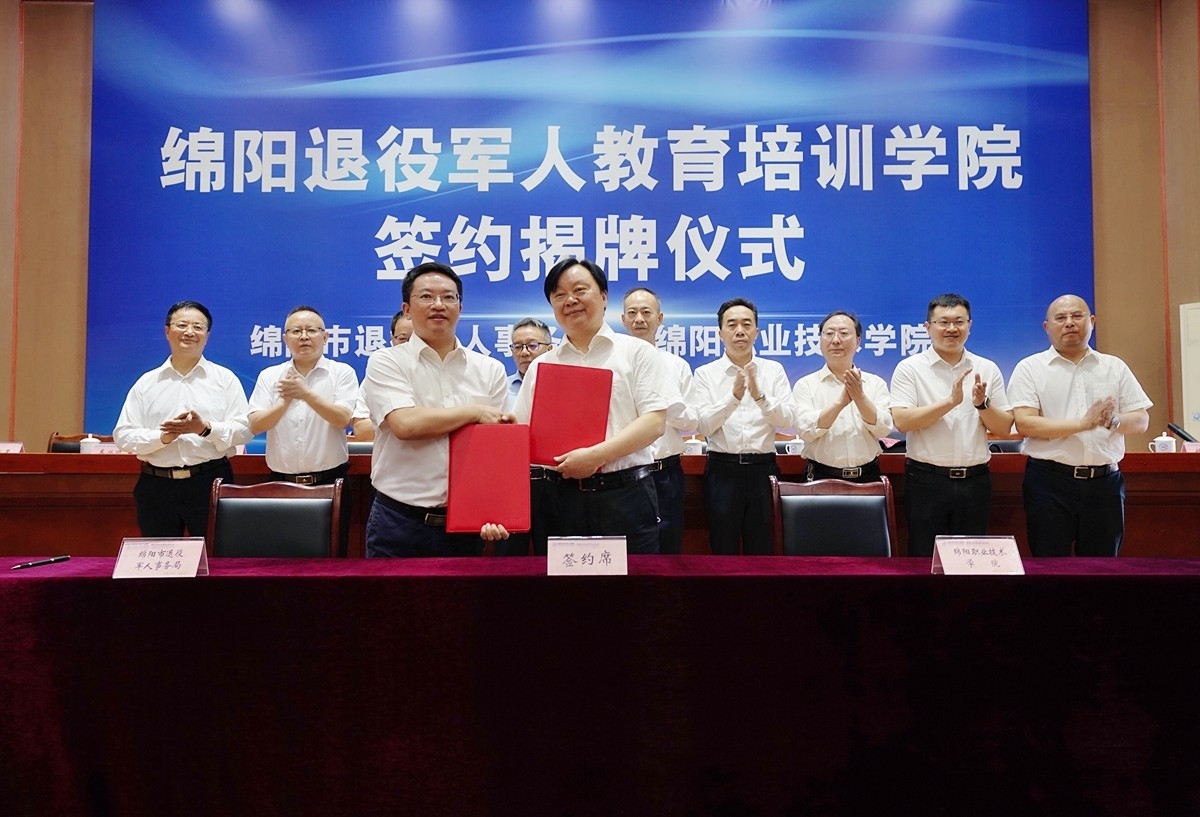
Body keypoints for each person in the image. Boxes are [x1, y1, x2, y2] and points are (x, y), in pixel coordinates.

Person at [513, 258, 671, 555]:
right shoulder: (541, 366)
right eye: (559, 295)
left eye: (579, 290)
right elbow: (521, 436)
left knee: (633, 583)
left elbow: (654, 423)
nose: (570, 300)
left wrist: (596, 456)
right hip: (559, 499)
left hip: (626, 496)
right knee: (565, 583)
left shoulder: (637, 353)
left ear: (604, 296)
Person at [361, 261, 512, 557]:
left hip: (465, 525)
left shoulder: (490, 369)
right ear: (407, 309)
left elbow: (495, 448)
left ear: (460, 307)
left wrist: (494, 508)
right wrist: (474, 412)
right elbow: (405, 424)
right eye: (426, 296)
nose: (438, 305)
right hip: (398, 522)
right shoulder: (387, 362)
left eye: (448, 297)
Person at [1008, 294, 1152, 556]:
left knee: (1102, 568)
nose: (1069, 323)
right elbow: (1026, 424)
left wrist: (1113, 421)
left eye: (1077, 316)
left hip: (1105, 483)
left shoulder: (1114, 367)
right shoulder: (1030, 368)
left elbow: (1141, 420)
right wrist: (1083, 424)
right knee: (1049, 567)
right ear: (1047, 326)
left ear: (1092, 321)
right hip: (1049, 482)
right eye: (1061, 318)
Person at [113, 300, 252, 537]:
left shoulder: (225, 379)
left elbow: (244, 430)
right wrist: (163, 437)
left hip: (210, 480)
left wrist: (205, 429)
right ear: (167, 331)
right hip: (156, 484)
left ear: (207, 335)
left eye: (198, 327)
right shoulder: (147, 383)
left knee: (217, 555)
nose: (189, 332)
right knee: (160, 556)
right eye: (182, 325)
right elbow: (123, 435)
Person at [890, 293, 1014, 557]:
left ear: (970, 325)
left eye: (959, 321)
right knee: (923, 558)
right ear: (927, 327)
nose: (951, 329)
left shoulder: (987, 368)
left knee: (972, 561)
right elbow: (902, 421)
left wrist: (982, 405)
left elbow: (1004, 427)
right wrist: (949, 402)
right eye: (943, 322)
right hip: (926, 480)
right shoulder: (910, 368)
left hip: (975, 481)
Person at [691, 298, 794, 555]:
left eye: (747, 325)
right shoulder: (705, 374)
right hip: (722, 470)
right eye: (732, 324)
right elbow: (703, 425)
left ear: (756, 332)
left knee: (762, 548)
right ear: (720, 333)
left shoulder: (773, 370)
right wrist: (733, 398)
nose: (740, 331)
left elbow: (788, 420)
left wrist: (760, 396)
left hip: (763, 469)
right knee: (722, 547)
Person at [620, 286, 698, 554]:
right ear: (623, 319)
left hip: (667, 473)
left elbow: (692, 422)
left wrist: (666, 402)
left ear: (660, 318)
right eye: (632, 313)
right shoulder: (613, 365)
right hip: (625, 474)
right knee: (627, 549)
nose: (639, 319)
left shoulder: (677, 366)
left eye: (646, 312)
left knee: (669, 547)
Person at [792, 311, 894, 483]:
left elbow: (884, 429)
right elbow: (805, 431)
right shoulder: (805, 385)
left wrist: (860, 398)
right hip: (820, 476)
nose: (836, 340)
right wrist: (840, 403)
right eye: (829, 333)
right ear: (820, 341)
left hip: (867, 477)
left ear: (858, 341)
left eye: (844, 333)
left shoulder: (875, 384)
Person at [351, 310, 415, 440]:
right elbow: (361, 430)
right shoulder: (378, 371)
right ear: (392, 339)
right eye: (403, 339)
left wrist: (386, 420)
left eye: (416, 339)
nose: (409, 345)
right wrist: (401, 422)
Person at [506, 317, 553, 412]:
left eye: (532, 346)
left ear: (549, 350)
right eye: (517, 347)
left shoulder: (562, 386)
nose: (524, 352)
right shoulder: (502, 388)